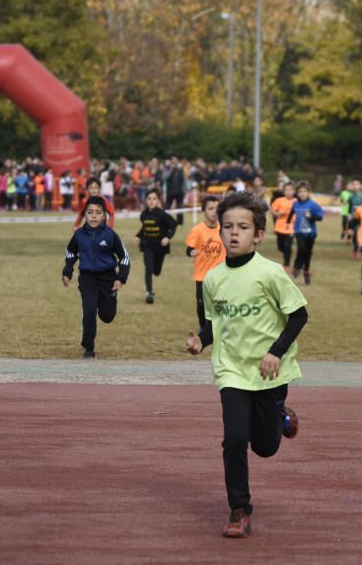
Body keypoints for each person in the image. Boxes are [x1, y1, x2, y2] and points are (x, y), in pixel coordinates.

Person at [184, 191, 307, 539]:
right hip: (232, 370)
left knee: (265, 447)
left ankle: (281, 417)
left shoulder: (269, 273)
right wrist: (201, 341)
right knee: (235, 438)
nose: (234, 233)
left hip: (268, 371)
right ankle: (239, 509)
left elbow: (298, 314)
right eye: (227, 226)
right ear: (219, 231)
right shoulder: (212, 278)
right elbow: (214, 323)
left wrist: (275, 352)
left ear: (259, 234)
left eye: (242, 227)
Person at [62, 196, 130, 358]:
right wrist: (67, 271)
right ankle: (88, 347)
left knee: (107, 316)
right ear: (84, 214)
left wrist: (120, 277)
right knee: (89, 310)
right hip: (87, 279)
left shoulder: (111, 235)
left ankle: (108, 300)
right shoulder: (79, 235)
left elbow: (124, 258)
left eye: (98, 213)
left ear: (104, 215)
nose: (94, 216)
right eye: (90, 212)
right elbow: (71, 251)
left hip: (108, 279)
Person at [185, 195, 225, 329]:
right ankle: (203, 328)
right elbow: (189, 248)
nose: (214, 211)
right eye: (210, 208)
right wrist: (192, 252)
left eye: (217, 208)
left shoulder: (225, 229)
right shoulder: (197, 230)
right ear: (204, 211)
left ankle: (220, 327)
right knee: (201, 304)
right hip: (202, 275)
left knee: (220, 303)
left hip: (221, 275)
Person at [135, 188, 178, 304]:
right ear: (146, 200)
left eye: (154, 199)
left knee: (156, 271)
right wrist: (138, 236)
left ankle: (154, 275)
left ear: (158, 200)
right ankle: (149, 293)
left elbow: (173, 226)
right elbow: (145, 227)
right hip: (147, 245)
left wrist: (168, 237)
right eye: (149, 199)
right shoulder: (144, 214)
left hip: (160, 247)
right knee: (148, 269)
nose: (151, 201)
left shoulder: (162, 214)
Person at [290, 181, 324, 285]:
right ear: (297, 193)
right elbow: (291, 213)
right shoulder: (295, 203)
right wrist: (287, 223)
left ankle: (306, 271)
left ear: (308, 192)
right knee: (302, 248)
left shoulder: (313, 205)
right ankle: (297, 266)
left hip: (311, 233)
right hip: (299, 231)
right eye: (300, 191)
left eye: (305, 191)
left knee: (308, 252)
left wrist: (311, 217)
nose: (302, 193)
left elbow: (320, 217)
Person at [270, 181, 296, 272]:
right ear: (283, 191)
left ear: (294, 191)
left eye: (290, 190)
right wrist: (278, 214)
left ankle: (286, 264)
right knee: (280, 247)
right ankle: (287, 254)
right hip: (280, 228)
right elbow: (272, 211)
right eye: (286, 190)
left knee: (288, 246)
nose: (288, 192)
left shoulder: (296, 202)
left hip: (291, 228)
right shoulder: (279, 200)